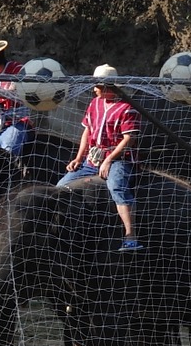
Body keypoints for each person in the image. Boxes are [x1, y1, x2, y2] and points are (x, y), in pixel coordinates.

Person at [57, 64, 143, 251]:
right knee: (61, 186)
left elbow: (130, 138)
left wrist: (109, 159)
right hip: (92, 159)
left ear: (107, 87)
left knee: (117, 186)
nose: (94, 88)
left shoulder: (127, 108)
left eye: (97, 85)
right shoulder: (94, 103)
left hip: (120, 159)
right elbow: (87, 131)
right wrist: (79, 158)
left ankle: (130, 235)